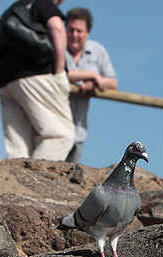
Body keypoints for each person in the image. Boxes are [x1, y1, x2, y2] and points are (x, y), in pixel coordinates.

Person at [0, 0, 75, 161]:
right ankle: (35, 181)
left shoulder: (8, 13)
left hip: (6, 83)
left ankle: (14, 184)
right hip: (38, 76)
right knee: (59, 135)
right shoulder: (43, 3)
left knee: (18, 147)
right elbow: (57, 28)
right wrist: (58, 72)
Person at [63, 7, 118, 163]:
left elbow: (112, 82)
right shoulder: (57, 47)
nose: (74, 35)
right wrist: (92, 75)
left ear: (87, 33)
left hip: (78, 131)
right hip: (51, 128)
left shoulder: (98, 51)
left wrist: (94, 84)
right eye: (71, 30)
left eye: (79, 31)